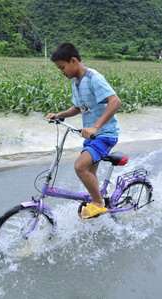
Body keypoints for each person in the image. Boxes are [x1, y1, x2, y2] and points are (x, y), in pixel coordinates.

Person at [47, 42, 121, 219]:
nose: (61, 72)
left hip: (105, 135)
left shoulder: (93, 77)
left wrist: (96, 126)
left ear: (73, 61)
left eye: (62, 67)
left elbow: (115, 101)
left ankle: (98, 203)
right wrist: (60, 114)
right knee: (89, 172)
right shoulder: (75, 82)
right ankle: (99, 202)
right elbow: (79, 107)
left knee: (80, 167)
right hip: (92, 135)